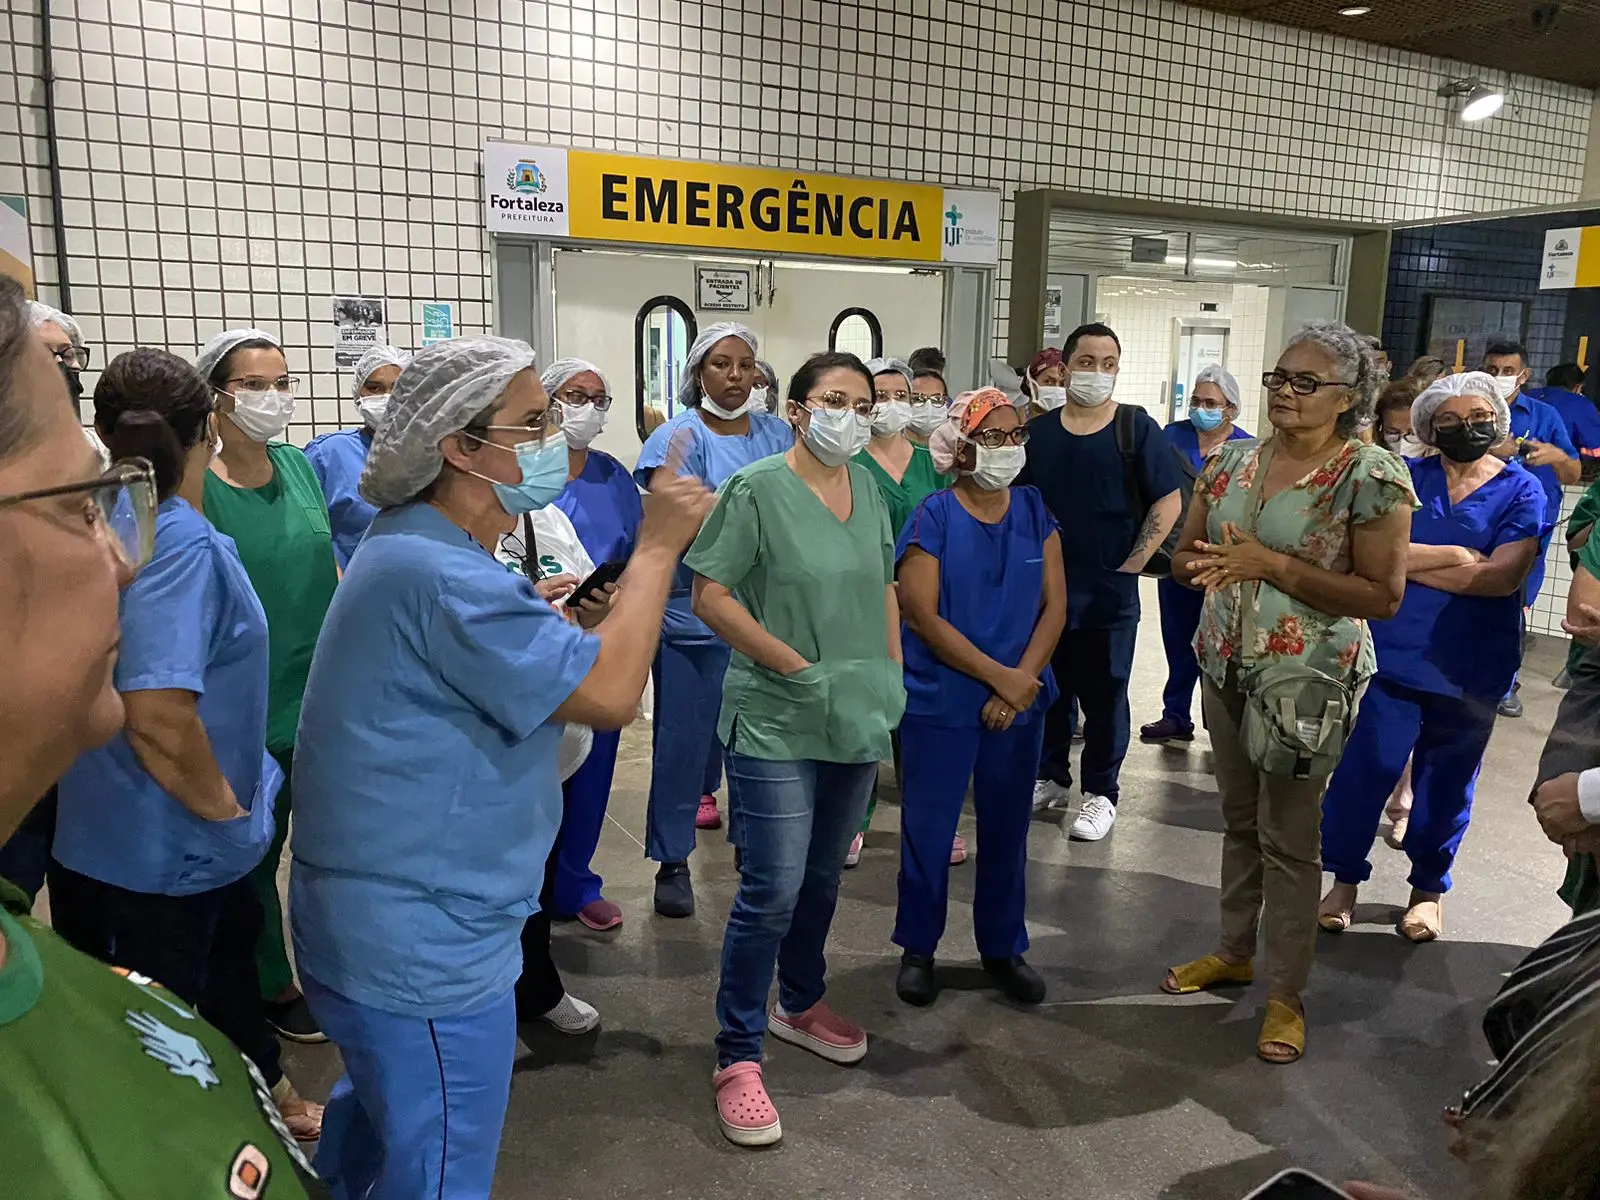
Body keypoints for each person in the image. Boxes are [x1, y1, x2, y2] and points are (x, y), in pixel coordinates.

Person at [289, 337, 712, 1198]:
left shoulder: (417, 545)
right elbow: (612, 694)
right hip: (422, 937)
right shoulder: (441, 572)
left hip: (375, 914)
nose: (557, 434)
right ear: (460, 446)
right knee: (437, 1165)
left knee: (379, 1128)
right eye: (534, 421)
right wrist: (659, 548)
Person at [0, 281, 330, 1200]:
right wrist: (230, 816)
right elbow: (153, 711)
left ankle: (262, 1079)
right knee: (167, 1031)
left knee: (204, 989)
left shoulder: (107, 519)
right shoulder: (175, 543)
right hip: (171, 847)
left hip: (104, 838)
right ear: (209, 427)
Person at [1162, 321, 1414, 1065]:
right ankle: (1234, 950)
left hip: (1307, 682)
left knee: (1292, 841)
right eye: (1278, 378)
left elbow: (1383, 596)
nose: (1285, 393)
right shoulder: (1230, 463)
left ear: (1348, 398)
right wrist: (1197, 569)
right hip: (1225, 666)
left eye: (1306, 383)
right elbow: (1186, 556)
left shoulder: (1369, 476)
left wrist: (1272, 565)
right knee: (1238, 822)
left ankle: (1285, 996)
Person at [685, 350, 905, 1147]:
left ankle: (799, 1000)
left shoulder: (871, 489)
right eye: (833, 400)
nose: (848, 413)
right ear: (801, 409)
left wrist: (891, 677)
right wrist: (796, 667)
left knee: (822, 875)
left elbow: (884, 585)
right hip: (778, 713)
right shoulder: (756, 489)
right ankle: (737, 1054)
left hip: (855, 713)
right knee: (771, 887)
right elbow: (708, 594)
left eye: (861, 401)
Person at [1318, 372, 1545, 942]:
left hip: (1473, 666)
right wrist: (1456, 554)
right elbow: (1358, 555)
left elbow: (1502, 578)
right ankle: (1343, 880)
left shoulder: (1523, 490)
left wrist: (1406, 561)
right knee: (1364, 771)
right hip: (1392, 656)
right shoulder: (1403, 480)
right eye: (1447, 420)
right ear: (1427, 428)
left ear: (1497, 419)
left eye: (1477, 417)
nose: (1465, 428)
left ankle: (1427, 891)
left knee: (1447, 785)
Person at [891, 388, 1066, 1008]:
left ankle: (1002, 946)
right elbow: (923, 616)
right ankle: (918, 949)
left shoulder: (1035, 510)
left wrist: (1020, 686)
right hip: (944, 696)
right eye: (993, 437)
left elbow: (1055, 607)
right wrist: (1002, 679)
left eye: (1017, 436)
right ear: (963, 446)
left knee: (1008, 828)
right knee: (930, 830)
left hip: (1019, 697)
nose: (1008, 448)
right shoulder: (933, 516)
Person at [198, 328, 339, 1045]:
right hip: (242, 693)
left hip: (317, 684)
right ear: (216, 395)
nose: (272, 397)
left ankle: (328, 963)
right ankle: (267, 980)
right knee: (253, 845)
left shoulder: (299, 466)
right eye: (254, 384)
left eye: (281, 382)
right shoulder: (199, 487)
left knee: (323, 837)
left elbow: (328, 565)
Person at [632, 322, 792, 917]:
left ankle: (754, 845)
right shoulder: (678, 436)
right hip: (693, 618)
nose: (734, 376)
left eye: (745, 365)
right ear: (698, 373)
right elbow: (674, 521)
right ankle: (672, 858)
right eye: (721, 364)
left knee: (760, 742)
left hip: (762, 617)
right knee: (684, 743)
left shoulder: (778, 433)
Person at [1021, 322, 1185, 841]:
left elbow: (1168, 497)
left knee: (1106, 692)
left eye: (1108, 363)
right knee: (1048, 688)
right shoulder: (1039, 434)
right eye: (1086, 361)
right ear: (1065, 367)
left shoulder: (1135, 429)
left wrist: (1135, 561)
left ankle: (1101, 792)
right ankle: (1050, 776)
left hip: (1108, 594)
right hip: (1047, 592)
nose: (1097, 372)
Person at [537, 357, 645, 930]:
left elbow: (634, 551)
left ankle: (576, 882)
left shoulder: (613, 477)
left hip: (600, 638)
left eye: (598, 398)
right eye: (574, 395)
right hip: (533, 647)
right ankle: (530, 885)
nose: (588, 408)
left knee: (593, 765)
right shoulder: (529, 478)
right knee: (534, 771)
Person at [848, 355, 954, 865]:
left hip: (923, 609)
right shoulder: (846, 465)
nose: (891, 406)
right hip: (862, 608)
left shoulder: (930, 465)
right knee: (865, 718)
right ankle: (852, 820)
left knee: (919, 723)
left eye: (901, 396)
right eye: (880, 396)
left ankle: (930, 822)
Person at [1139, 364, 1253, 746]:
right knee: (1177, 636)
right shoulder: (1171, 437)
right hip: (1178, 554)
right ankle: (1175, 713)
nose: (1201, 408)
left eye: (1211, 403)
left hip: (1223, 559)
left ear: (1231, 409)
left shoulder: (1246, 449)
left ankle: (1215, 721)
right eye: (1196, 401)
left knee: (1220, 640)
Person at [1482, 338, 1579, 718]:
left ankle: (1505, 684)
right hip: (1478, 519)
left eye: (1508, 372)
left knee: (1514, 603)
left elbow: (1571, 472)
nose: (1500, 378)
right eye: (1493, 370)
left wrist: (1555, 455)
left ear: (1524, 375)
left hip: (1529, 529)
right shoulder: (1473, 410)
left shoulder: (1543, 416)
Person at [305, 343, 410, 569]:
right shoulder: (328, 455)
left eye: (398, 388)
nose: (387, 397)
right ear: (358, 393)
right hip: (351, 589)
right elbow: (303, 533)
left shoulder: (433, 453)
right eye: (374, 388)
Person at [1528, 361, 1600, 461]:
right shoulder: (1580, 404)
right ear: (1577, 387)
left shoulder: (1528, 396)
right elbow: (1594, 449)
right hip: (1558, 468)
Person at [906, 353, 952, 447]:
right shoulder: (892, 448)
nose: (929, 406)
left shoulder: (951, 450)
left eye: (937, 399)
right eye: (918, 399)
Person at [1021, 346, 1067, 419]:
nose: (1057, 388)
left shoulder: (1077, 424)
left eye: (1063, 384)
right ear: (1030, 383)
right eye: (1048, 382)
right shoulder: (1011, 419)